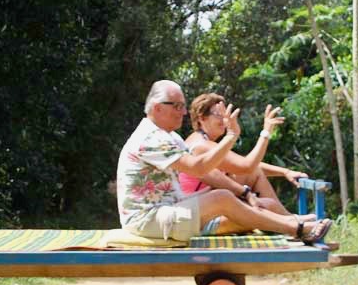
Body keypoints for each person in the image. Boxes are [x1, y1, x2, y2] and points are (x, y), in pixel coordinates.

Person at [116, 80, 331, 245]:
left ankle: (293, 224)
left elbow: (239, 167)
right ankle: (296, 227)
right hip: (147, 219)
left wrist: (282, 172)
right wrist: (244, 135)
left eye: (183, 106)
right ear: (157, 108)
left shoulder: (171, 137)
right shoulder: (151, 138)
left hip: (169, 208)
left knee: (234, 199)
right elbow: (203, 167)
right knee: (224, 198)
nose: (182, 111)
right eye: (177, 106)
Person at [178, 92, 311, 220]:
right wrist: (265, 133)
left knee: (265, 199)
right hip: (198, 209)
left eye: (226, 115)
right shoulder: (201, 145)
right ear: (202, 118)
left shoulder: (203, 141)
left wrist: (285, 172)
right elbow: (247, 166)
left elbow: (244, 166)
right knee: (269, 205)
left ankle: (290, 220)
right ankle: (292, 221)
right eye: (219, 115)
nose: (225, 120)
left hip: (206, 202)